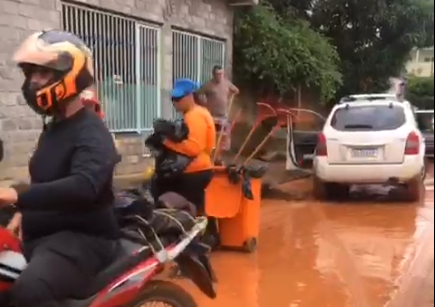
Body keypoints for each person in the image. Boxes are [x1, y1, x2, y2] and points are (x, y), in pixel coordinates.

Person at [0, 30, 119, 307]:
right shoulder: (54, 127)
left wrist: (17, 194)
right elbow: (46, 180)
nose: (33, 82)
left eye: (42, 74)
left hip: (83, 239)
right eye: (31, 74)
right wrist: (21, 213)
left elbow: (84, 185)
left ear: (69, 75)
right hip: (43, 235)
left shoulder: (92, 131)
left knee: (29, 291)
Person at [151, 78, 215, 215]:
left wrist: (165, 142)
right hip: (200, 168)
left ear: (190, 96)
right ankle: (209, 234)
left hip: (193, 171)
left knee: (187, 211)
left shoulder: (194, 116)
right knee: (198, 209)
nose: (175, 102)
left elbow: (193, 148)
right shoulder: (199, 112)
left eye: (179, 98)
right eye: (173, 98)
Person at [198, 65, 239, 151]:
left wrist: (230, 96)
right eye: (218, 74)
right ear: (213, 74)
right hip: (212, 115)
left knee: (223, 137)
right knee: (212, 136)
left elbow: (236, 90)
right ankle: (211, 153)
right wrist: (203, 102)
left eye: (221, 74)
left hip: (223, 115)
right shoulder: (208, 85)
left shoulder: (226, 83)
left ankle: (221, 156)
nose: (220, 76)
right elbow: (199, 93)